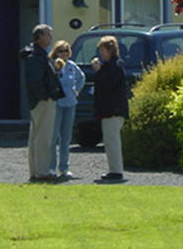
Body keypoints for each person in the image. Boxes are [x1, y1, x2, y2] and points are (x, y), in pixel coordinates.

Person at [21, 23, 61, 182]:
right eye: (48, 34)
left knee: (36, 137)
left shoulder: (37, 54)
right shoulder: (36, 57)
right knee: (44, 137)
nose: (51, 37)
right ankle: (42, 171)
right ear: (40, 37)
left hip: (39, 100)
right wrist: (45, 97)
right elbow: (35, 81)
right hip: (43, 101)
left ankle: (36, 171)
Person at [91, 35, 128, 182]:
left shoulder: (115, 65)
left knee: (112, 140)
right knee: (110, 140)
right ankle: (114, 169)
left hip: (114, 110)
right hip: (109, 109)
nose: (101, 53)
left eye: (102, 50)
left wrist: (99, 71)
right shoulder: (111, 65)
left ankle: (116, 171)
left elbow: (109, 84)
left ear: (109, 50)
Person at [49, 39, 85, 179]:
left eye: (66, 51)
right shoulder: (53, 65)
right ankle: (51, 167)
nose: (63, 54)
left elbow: (81, 78)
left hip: (70, 103)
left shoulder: (72, 66)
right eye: (61, 51)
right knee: (53, 137)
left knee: (66, 137)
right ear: (56, 52)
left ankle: (64, 167)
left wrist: (77, 90)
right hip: (57, 103)